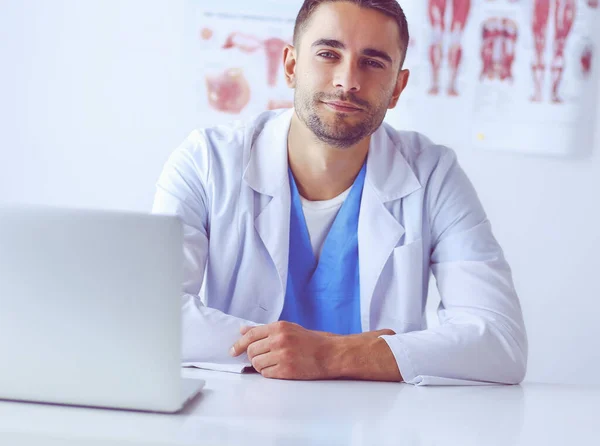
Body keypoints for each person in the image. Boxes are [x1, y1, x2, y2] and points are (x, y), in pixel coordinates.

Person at [152, 0, 528, 385]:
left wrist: (330, 355)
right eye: (328, 54)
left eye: (373, 62)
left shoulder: (433, 174)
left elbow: (500, 342)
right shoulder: (208, 161)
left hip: (378, 425)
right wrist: (296, 352)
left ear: (398, 87)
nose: (347, 80)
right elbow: (151, 312)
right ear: (291, 66)